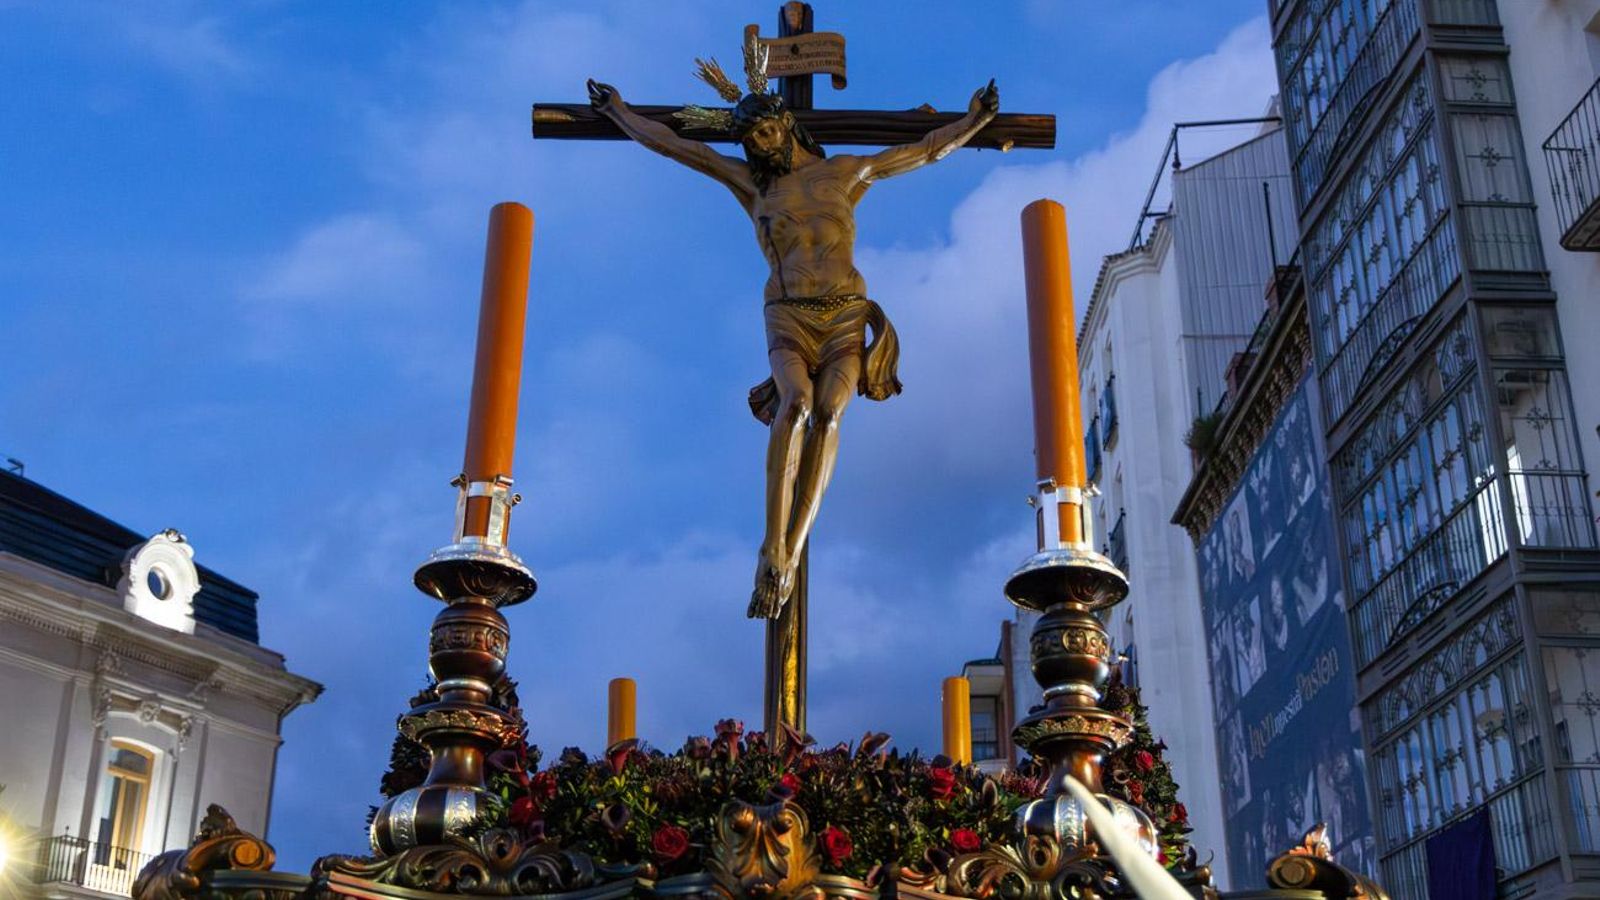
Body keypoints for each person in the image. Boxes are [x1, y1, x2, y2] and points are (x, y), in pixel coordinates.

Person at [586, 75, 1000, 618]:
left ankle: (792, 548)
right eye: (749, 140)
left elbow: (921, 151)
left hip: (844, 312)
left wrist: (974, 120)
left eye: (764, 132)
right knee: (797, 403)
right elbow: (679, 147)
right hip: (788, 313)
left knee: (829, 413)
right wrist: (619, 112)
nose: (758, 146)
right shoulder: (753, 186)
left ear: (785, 124)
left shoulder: (845, 172)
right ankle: (771, 545)